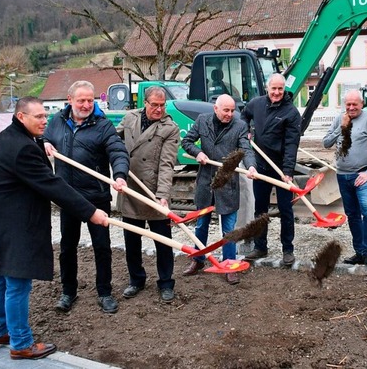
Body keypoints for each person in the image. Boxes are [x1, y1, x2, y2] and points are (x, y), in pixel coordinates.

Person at [0, 96, 110, 360]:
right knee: (16, 283)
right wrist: (91, 212)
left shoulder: (10, 139)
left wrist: (42, 142)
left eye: (46, 116)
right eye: (38, 117)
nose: (44, 121)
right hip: (13, 227)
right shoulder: (21, 148)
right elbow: (53, 185)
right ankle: (21, 343)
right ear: (21, 116)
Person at [43, 81, 129, 314]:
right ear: (69, 100)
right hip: (68, 197)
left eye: (90, 100)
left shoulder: (102, 125)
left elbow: (117, 151)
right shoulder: (57, 122)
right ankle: (68, 292)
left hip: (96, 197)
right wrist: (46, 143)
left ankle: (105, 292)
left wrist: (120, 175)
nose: (86, 104)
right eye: (81, 100)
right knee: (67, 247)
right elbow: (42, 138)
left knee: (102, 247)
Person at [181, 94, 257, 284]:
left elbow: (246, 149)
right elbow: (187, 142)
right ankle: (198, 259)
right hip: (206, 184)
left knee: (228, 229)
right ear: (216, 108)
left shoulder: (239, 126)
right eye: (226, 110)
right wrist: (197, 152)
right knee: (201, 225)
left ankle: (229, 265)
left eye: (232, 111)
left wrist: (251, 166)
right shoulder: (202, 121)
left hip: (227, 184)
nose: (230, 114)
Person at [116, 86, 180, 303]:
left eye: (162, 105)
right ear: (145, 103)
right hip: (130, 188)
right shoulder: (129, 119)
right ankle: (136, 280)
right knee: (132, 240)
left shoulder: (170, 128)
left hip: (154, 192)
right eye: (154, 105)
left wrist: (163, 195)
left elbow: (166, 164)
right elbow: (113, 144)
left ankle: (166, 282)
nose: (159, 109)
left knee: (163, 241)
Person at [240, 73, 302, 266]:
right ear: (267, 88)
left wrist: (288, 171)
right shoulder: (257, 104)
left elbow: (292, 144)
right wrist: (246, 130)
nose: (276, 92)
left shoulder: (291, 113)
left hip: (281, 167)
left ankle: (287, 249)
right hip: (260, 165)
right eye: (273, 88)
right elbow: (244, 115)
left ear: (284, 89)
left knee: (285, 209)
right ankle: (260, 247)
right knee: (261, 208)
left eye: (280, 89)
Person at [322, 89, 367, 266]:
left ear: (361, 104)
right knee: (352, 214)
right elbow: (326, 142)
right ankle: (359, 251)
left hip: (362, 175)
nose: (351, 108)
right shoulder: (339, 118)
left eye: (355, 104)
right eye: (348, 104)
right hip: (343, 175)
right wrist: (341, 127)